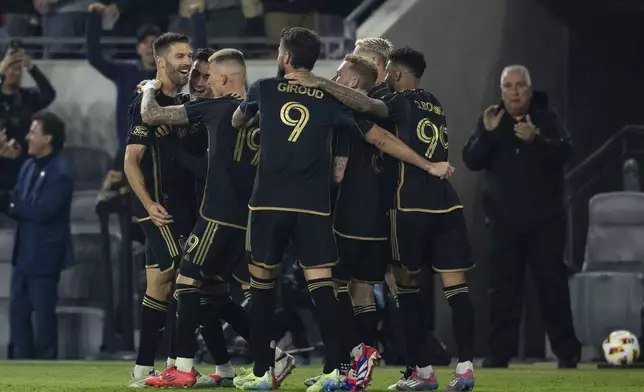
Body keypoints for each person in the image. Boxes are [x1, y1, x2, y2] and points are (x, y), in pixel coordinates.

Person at [232, 27, 452, 392]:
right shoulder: (339, 100)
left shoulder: (273, 91)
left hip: (329, 206)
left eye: (360, 60)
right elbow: (370, 135)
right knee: (343, 286)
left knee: (292, 286)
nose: (341, 74)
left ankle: (285, 369)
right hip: (329, 207)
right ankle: (350, 367)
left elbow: (239, 120)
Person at [286, 46, 475, 392]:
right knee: (428, 288)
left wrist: (320, 85)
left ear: (384, 68)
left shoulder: (388, 102)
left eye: (379, 65)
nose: (383, 74)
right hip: (442, 203)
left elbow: (379, 132)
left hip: (394, 208)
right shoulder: (431, 101)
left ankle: (362, 365)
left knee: (373, 286)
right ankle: (448, 369)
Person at [138, 48, 296, 388]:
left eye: (210, 76)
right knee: (213, 294)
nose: (206, 82)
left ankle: (181, 368)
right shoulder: (268, 111)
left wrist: (150, 88)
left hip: (217, 215)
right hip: (250, 217)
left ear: (224, 78)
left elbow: (151, 115)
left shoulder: (217, 107)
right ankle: (274, 356)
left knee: (186, 282)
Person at [462, 65, 580, 369]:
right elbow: (472, 159)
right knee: (503, 292)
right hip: (503, 223)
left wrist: (536, 140)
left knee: (552, 287)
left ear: (529, 89)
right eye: (509, 86)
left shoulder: (546, 117)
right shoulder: (492, 119)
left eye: (520, 86)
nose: (515, 92)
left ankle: (567, 353)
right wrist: (487, 135)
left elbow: (565, 152)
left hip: (545, 223)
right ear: (502, 91)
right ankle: (499, 354)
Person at [123, 32, 193, 387]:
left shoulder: (186, 101)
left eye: (190, 55)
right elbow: (131, 162)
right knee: (188, 271)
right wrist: (149, 204)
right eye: (180, 56)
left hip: (181, 207)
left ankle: (141, 369)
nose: (187, 61)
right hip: (158, 208)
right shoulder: (144, 104)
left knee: (159, 286)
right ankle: (179, 362)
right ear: (162, 62)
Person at [86, 2, 206, 146]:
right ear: (138, 49)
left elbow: (199, 61)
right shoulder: (124, 73)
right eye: (145, 42)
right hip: (129, 149)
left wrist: (197, 19)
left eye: (154, 43)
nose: (150, 47)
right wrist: (94, 18)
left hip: (163, 151)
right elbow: (95, 58)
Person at [6, 111, 73, 359]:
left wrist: (14, 207)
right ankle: (22, 369)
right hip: (23, 256)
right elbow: (17, 201)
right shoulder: (27, 166)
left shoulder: (61, 173)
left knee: (44, 321)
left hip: (44, 258)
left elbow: (44, 210)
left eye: (33, 132)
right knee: (17, 316)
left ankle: (48, 369)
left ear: (48, 138)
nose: (27, 137)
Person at [0, 44, 56, 213]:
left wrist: (31, 67)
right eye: (10, 68)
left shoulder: (27, 96)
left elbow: (48, 95)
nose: (14, 73)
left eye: (18, 69)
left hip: (23, 163)